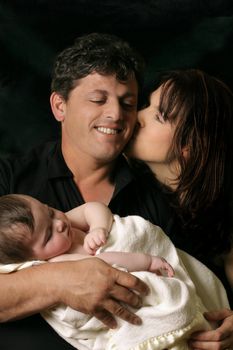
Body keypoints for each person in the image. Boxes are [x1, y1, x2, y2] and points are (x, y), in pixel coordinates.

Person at [0, 32, 176, 350]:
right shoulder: (9, 182)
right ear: (59, 106)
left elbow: (196, 274)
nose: (116, 114)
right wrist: (59, 280)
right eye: (98, 99)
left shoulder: (156, 195)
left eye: (128, 103)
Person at [0, 194, 229, 350]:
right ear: (32, 260)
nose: (58, 223)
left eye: (49, 211)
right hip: (132, 271)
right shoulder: (60, 262)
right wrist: (146, 260)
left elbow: (93, 208)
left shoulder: (65, 223)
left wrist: (99, 227)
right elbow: (104, 265)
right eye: (48, 235)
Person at [126, 68, 233, 350]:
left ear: (189, 146)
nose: (138, 116)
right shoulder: (126, 194)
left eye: (159, 116)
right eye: (147, 105)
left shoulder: (224, 217)